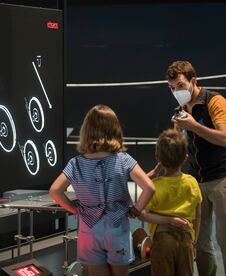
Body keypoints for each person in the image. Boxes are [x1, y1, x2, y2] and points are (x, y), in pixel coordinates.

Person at [49, 105, 155, 276]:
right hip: (117, 229)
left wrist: (74, 210)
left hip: (88, 231)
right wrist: (136, 209)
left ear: (86, 130)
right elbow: (149, 187)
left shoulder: (75, 163)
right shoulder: (124, 159)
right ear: (115, 129)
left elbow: (55, 191)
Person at [166, 60, 226, 276]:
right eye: (172, 88)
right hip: (196, 181)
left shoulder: (215, 101)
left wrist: (194, 126)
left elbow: (224, 138)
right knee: (199, 241)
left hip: (223, 177)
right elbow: (181, 148)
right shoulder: (180, 110)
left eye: (180, 86)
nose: (176, 91)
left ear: (193, 81)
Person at [139, 129, 202, 276]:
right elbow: (198, 215)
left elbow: (141, 213)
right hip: (186, 239)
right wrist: (194, 241)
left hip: (162, 243)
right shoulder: (192, 182)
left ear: (157, 158)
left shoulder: (155, 186)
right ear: (185, 158)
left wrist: (167, 221)